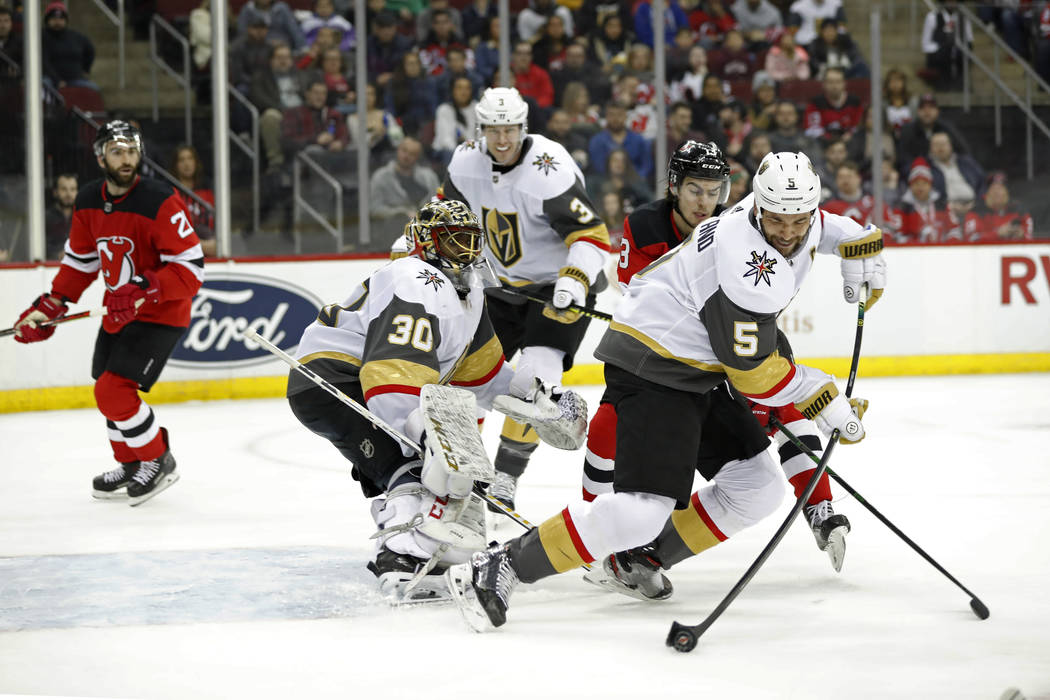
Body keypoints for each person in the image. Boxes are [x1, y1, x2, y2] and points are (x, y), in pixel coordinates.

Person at [448, 150, 884, 628]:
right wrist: (820, 394)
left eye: (796, 220)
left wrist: (861, 247)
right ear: (758, 207)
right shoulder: (745, 264)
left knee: (756, 487)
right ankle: (504, 563)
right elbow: (753, 373)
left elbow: (825, 225)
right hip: (654, 363)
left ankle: (639, 561)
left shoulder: (791, 214)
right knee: (640, 512)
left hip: (699, 367)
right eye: (777, 220)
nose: (787, 232)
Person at [286, 198, 582, 601]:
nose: (467, 250)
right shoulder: (416, 278)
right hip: (332, 380)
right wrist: (425, 436)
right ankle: (398, 558)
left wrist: (533, 398)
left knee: (404, 467)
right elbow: (392, 371)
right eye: (454, 240)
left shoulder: (468, 290)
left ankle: (418, 549)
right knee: (410, 467)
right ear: (427, 242)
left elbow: (482, 373)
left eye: (471, 240)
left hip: (361, 381)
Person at [12, 120, 204, 505]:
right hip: (120, 312)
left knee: (113, 389)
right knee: (105, 387)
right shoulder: (86, 201)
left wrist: (145, 288)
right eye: (117, 151)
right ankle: (132, 463)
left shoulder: (160, 199)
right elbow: (81, 264)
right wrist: (50, 307)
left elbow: (191, 267)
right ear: (101, 156)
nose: (126, 159)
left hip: (161, 312)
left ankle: (157, 459)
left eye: (131, 151)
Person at [440, 87, 611, 511]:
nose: (502, 139)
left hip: (557, 287)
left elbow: (591, 236)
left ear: (524, 127)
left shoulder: (548, 169)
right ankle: (461, 469)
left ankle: (503, 480)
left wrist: (573, 280)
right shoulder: (465, 162)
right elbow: (446, 216)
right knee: (464, 377)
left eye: (510, 129)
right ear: (480, 129)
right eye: (494, 130)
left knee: (535, 382)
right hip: (497, 284)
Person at [369, 137, 441, 239]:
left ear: (417, 157)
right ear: (398, 150)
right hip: (390, 234)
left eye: (412, 154)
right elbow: (374, 209)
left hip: (424, 234)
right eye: (404, 151)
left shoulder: (429, 178)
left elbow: (438, 206)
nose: (406, 156)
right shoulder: (381, 177)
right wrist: (401, 214)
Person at [588, 101, 654, 181]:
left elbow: (646, 166)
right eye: (612, 115)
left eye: (619, 114)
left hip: (635, 184)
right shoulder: (597, 141)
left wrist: (636, 180)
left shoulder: (638, 140)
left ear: (625, 116)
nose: (615, 118)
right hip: (606, 186)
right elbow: (598, 168)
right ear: (606, 117)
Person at [41, 1, 99, 91]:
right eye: (54, 18)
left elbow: (90, 51)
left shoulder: (76, 37)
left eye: (61, 19)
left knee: (93, 90)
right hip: (50, 80)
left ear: (66, 20)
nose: (58, 22)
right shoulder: (41, 37)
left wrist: (85, 69)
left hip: (75, 79)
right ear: (47, 20)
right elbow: (44, 62)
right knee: (41, 86)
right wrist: (57, 80)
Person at [171, 145, 216, 257]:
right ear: (176, 165)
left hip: (207, 242)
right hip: (181, 247)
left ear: (196, 162)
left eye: (190, 158)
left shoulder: (207, 191)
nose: (187, 164)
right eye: (182, 160)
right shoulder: (170, 193)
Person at [803, 66, 863, 147]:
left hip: (849, 145)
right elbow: (813, 129)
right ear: (824, 84)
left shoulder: (855, 103)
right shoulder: (815, 103)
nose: (834, 86)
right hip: (823, 145)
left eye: (838, 82)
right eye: (830, 82)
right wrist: (831, 140)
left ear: (844, 83)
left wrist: (849, 135)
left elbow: (857, 127)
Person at [974, 171, 1033, 242]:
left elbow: (1031, 239)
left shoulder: (1019, 210)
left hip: (1013, 251)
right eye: (993, 188)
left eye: (1000, 188)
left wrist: (1022, 235)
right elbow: (971, 240)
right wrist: (997, 234)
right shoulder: (977, 210)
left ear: (1006, 192)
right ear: (987, 193)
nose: (997, 192)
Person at [45, 173, 78, 260]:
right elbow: (39, 248)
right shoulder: (46, 218)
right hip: (50, 268)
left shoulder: (82, 218)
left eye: (72, 189)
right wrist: (57, 255)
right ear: (55, 192)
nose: (69, 194)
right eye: (64, 189)